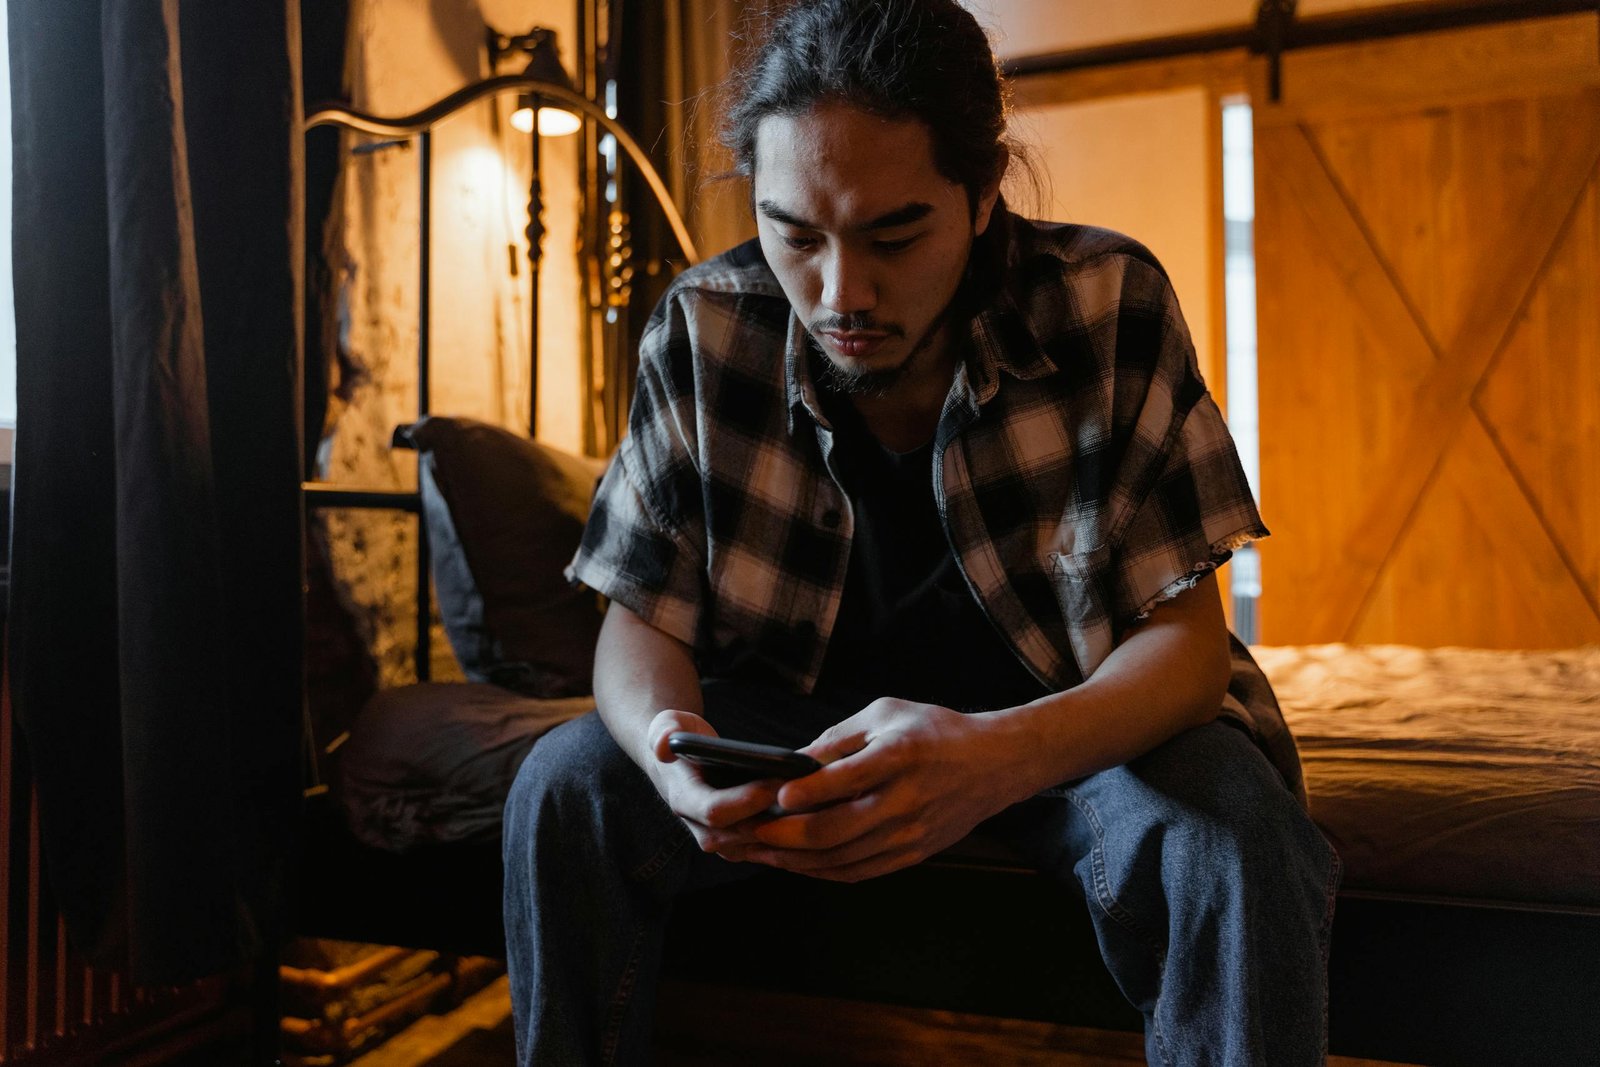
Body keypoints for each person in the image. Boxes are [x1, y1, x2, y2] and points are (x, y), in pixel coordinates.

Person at [503, 1, 1340, 1063]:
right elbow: (638, 620)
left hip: (1059, 720)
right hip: (795, 727)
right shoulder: (703, 327)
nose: (840, 293)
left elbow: (1185, 652)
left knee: (1235, 828)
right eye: (794, 234)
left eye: (894, 235)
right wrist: (670, 753)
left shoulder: (1104, 303)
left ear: (984, 193)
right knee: (565, 780)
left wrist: (994, 758)